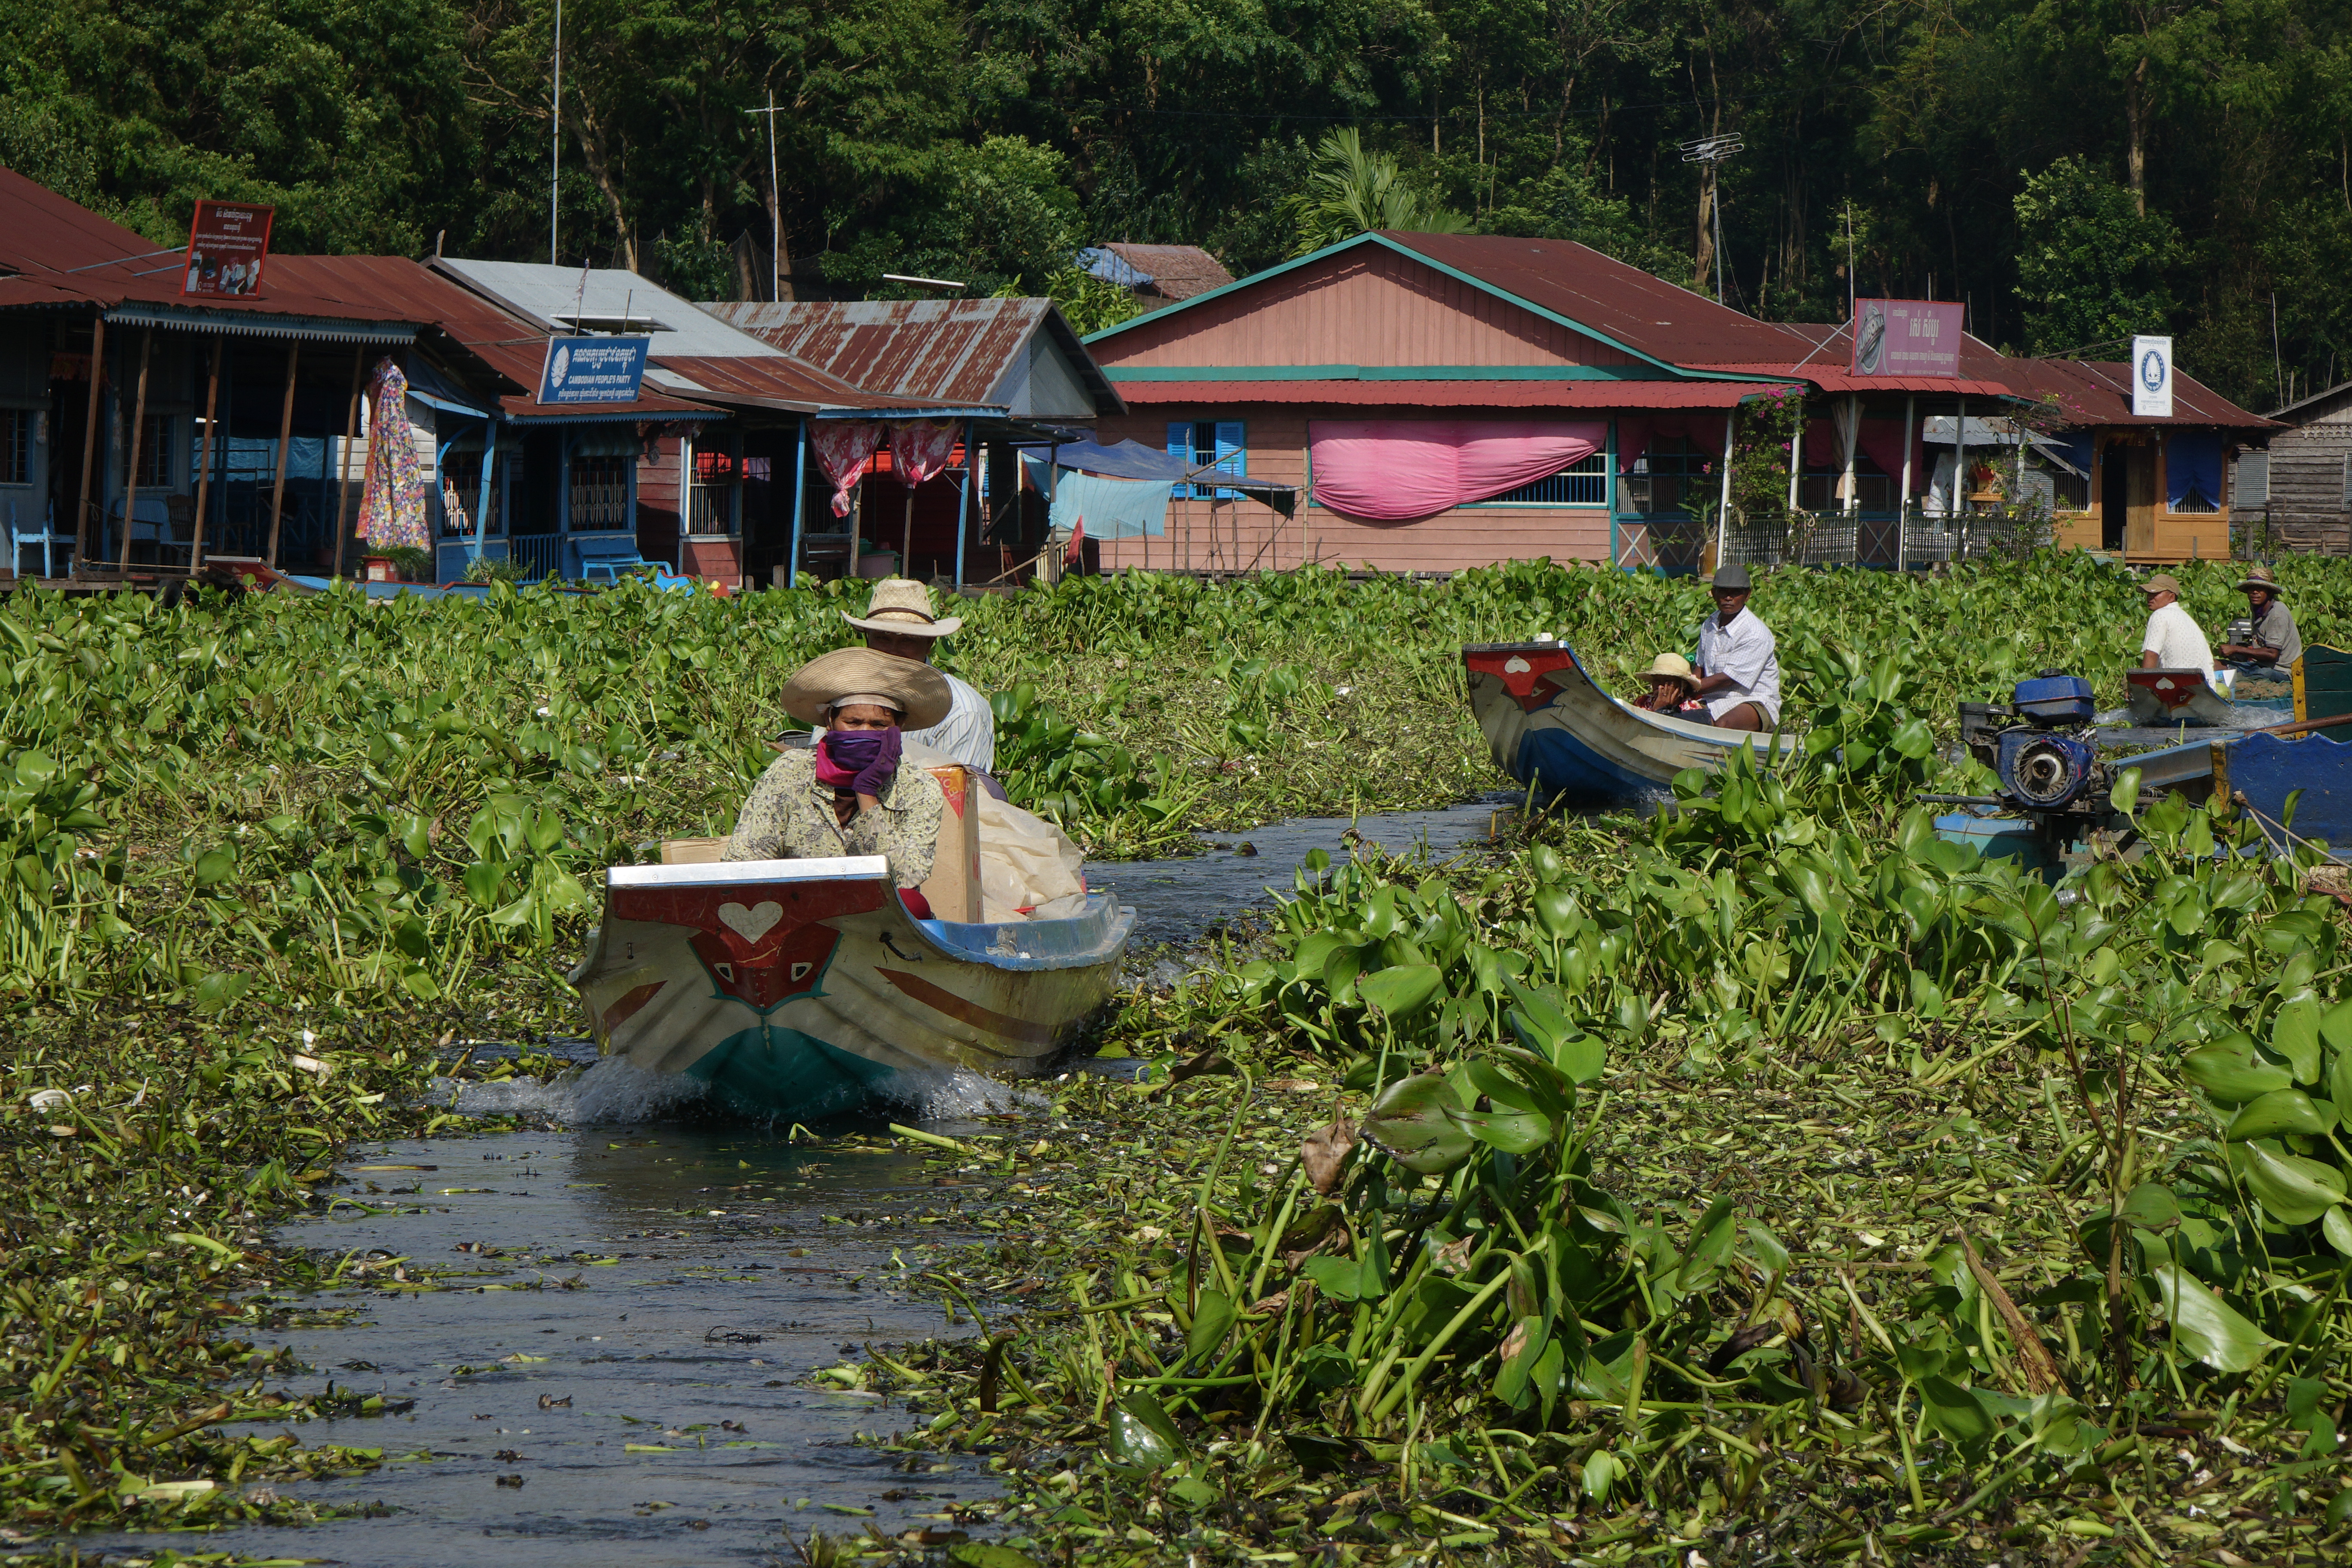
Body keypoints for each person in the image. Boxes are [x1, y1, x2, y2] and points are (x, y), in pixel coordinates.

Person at [726, 647, 949, 913]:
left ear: (897, 729)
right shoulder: (789, 771)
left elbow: (906, 880)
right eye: (853, 722)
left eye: (879, 725)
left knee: (915, 905)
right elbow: (745, 863)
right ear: (830, 721)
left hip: (876, 918)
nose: (864, 733)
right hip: (797, 910)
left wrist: (867, 792)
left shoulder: (919, 788)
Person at [835, 578, 996, 775]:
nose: (893, 651)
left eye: (908, 640)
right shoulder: (843, 691)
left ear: (930, 643)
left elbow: (955, 796)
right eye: (883, 638)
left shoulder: (962, 712)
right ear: (868, 638)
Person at [1691, 564, 1781, 732]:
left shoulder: (1755, 633)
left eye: (1735, 592)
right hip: (1713, 699)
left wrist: (1687, 688)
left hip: (1754, 701)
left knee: (1723, 725)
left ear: (1747, 596)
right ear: (1713, 593)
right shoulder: (1709, 625)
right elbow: (1700, 668)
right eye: (1723, 591)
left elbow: (1727, 679)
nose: (1728, 598)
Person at [2217, 565, 2302, 673]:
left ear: (2269, 592)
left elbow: (2272, 654)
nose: (2255, 592)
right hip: (2262, 665)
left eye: (2260, 589)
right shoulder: (2258, 609)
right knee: (2216, 665)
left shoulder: (2277, 614)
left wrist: (2236, 649)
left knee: (2237, 674)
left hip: (2281, 671)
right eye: (2251, 588)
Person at [2138, 573, 2217, 681]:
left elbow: (2152, 654)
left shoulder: (2160, 615)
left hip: (2179, 687)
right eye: (2149, 594)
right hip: (2205, 689)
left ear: (2172, 597)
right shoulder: (2187, 618)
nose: (2150, 597)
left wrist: (2143, 688)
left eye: (2156, 593)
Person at [1629, 652, 1707, 718]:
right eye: (1657, 681)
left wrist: (1661, 710)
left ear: (1684, 685)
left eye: (1668, 682)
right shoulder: (1642, 702)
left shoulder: (1693, 710)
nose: (1660, 687)